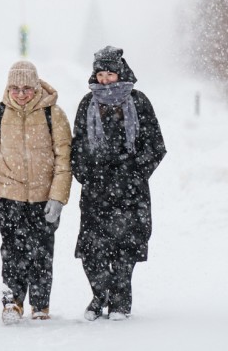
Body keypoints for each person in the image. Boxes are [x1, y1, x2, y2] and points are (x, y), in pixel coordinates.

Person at [71, 46, 167, 321]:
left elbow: (156, 145)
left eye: (110, 73)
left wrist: (134, 172)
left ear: (120, 73)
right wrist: (86, 174)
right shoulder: (86, 104)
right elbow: (76, 147)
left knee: (126, 248)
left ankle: (120, 302)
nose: (105, 79)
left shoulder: (139, 102)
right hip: (95, 191)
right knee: (92, 249)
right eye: (100, 74)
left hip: (130, 191)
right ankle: (99, 295)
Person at [0, 60, 72, 324]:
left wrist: (58, 197)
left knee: (41, 253)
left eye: (27, 88)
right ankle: (12, 302)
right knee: (12, 251)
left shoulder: (54, 114)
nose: (21, 93)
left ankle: (40, 305)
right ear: (8, 88)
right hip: (8, 195)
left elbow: (64, 160)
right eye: (15, 88)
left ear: (36, 87)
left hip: (43, 198)